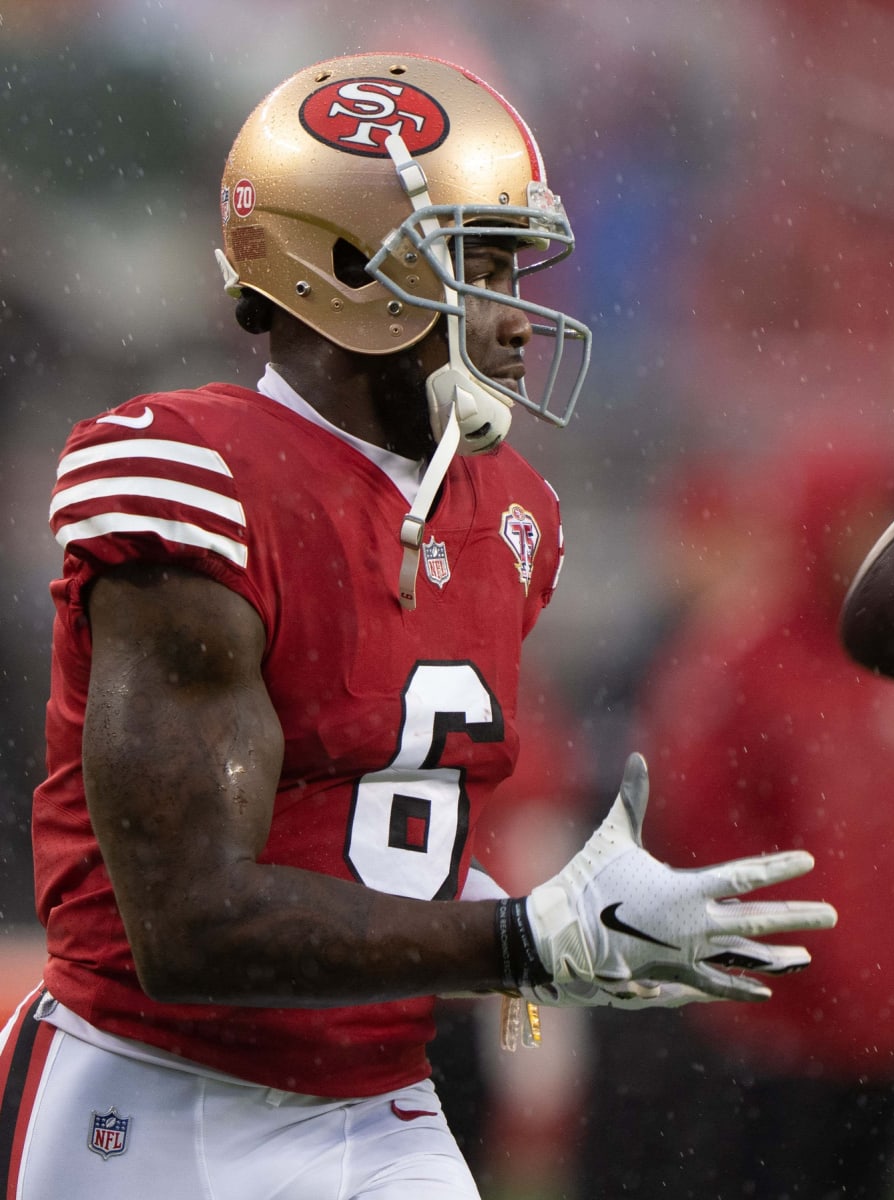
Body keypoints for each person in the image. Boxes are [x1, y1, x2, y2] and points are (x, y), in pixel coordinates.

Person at [0, 53, 838, 1200]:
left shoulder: (511, 517)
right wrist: (524, 944)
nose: (516, 318)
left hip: (383, 1094)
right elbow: (190, 923)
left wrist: (559, 923)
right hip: (158, 1098)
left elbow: (365, 839)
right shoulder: (199, 481)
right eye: (476, 267)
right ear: (343, 270)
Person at [581, 432, 894, 1199]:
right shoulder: (735, 667)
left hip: (889, 1036)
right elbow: (700, 840)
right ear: (818, 520)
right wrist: (804, 971)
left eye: (889, 517)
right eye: (862, 516)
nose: (875, 538)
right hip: (769, 1044)